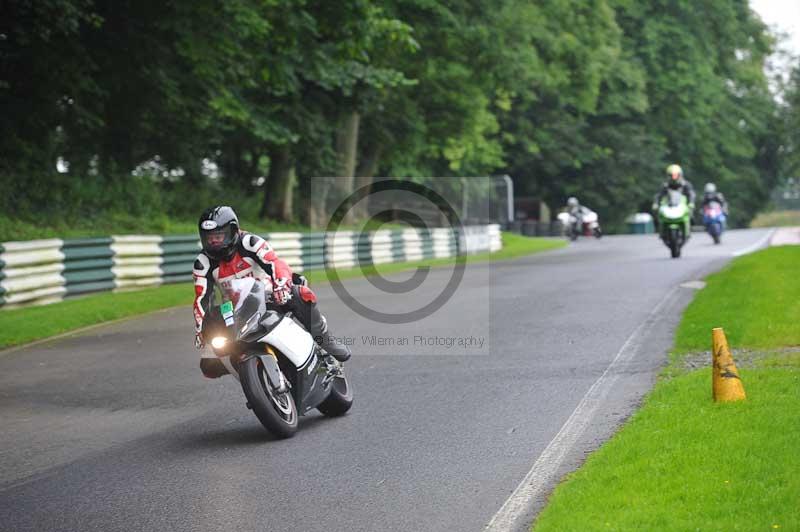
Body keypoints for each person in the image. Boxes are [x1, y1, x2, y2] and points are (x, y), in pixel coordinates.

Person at [192, 206, 351, 379]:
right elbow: (201, 298)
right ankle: (253, 376)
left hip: (269, 296)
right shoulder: (203, 263)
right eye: (209, 238)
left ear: (232, 231)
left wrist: (282, 285)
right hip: (233, 311)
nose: (214, 243)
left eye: (218, 236)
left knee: (300, 294)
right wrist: (201, 328)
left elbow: (275, 263)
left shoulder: (249, 243)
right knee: (208, 365)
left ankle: (325, 342)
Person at [652, 164, 696, 232]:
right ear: (668, 176)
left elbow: (691, 194)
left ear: (680, 175)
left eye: (676, 175)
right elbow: (658, 195)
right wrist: (656, 203)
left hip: (682, 206)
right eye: (672, 175)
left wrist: (691, 202)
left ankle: (690, 226)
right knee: (656, 213)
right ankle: (658, 228)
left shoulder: (685, 184)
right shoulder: (665, 185)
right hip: (669, 205)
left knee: (691, 213)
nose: (674, 177)